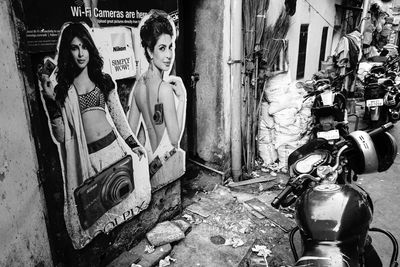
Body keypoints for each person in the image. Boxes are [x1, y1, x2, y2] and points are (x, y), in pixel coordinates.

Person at [38, 22, 150, 249]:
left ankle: (124, 247)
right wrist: (51, 103)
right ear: (68, 52)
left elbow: (118, 117)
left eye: (84, 47)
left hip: (113, 153)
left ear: (90, 48)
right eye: (74, 48)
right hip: (87, 160)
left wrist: (132, 144)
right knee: (95, 215)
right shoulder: (63, 89)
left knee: (120, 203)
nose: (80, 53)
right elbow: (61, 136)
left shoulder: (103, 80)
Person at [128, 10, 186, 165]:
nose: (169, 55)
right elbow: (174, 140)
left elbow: (129, 132)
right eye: (162, 48)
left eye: (170, 47)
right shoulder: (165, 89)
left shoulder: (139, 85)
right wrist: (182, 99)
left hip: (148, 160)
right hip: (165, 163)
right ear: (149, 51)